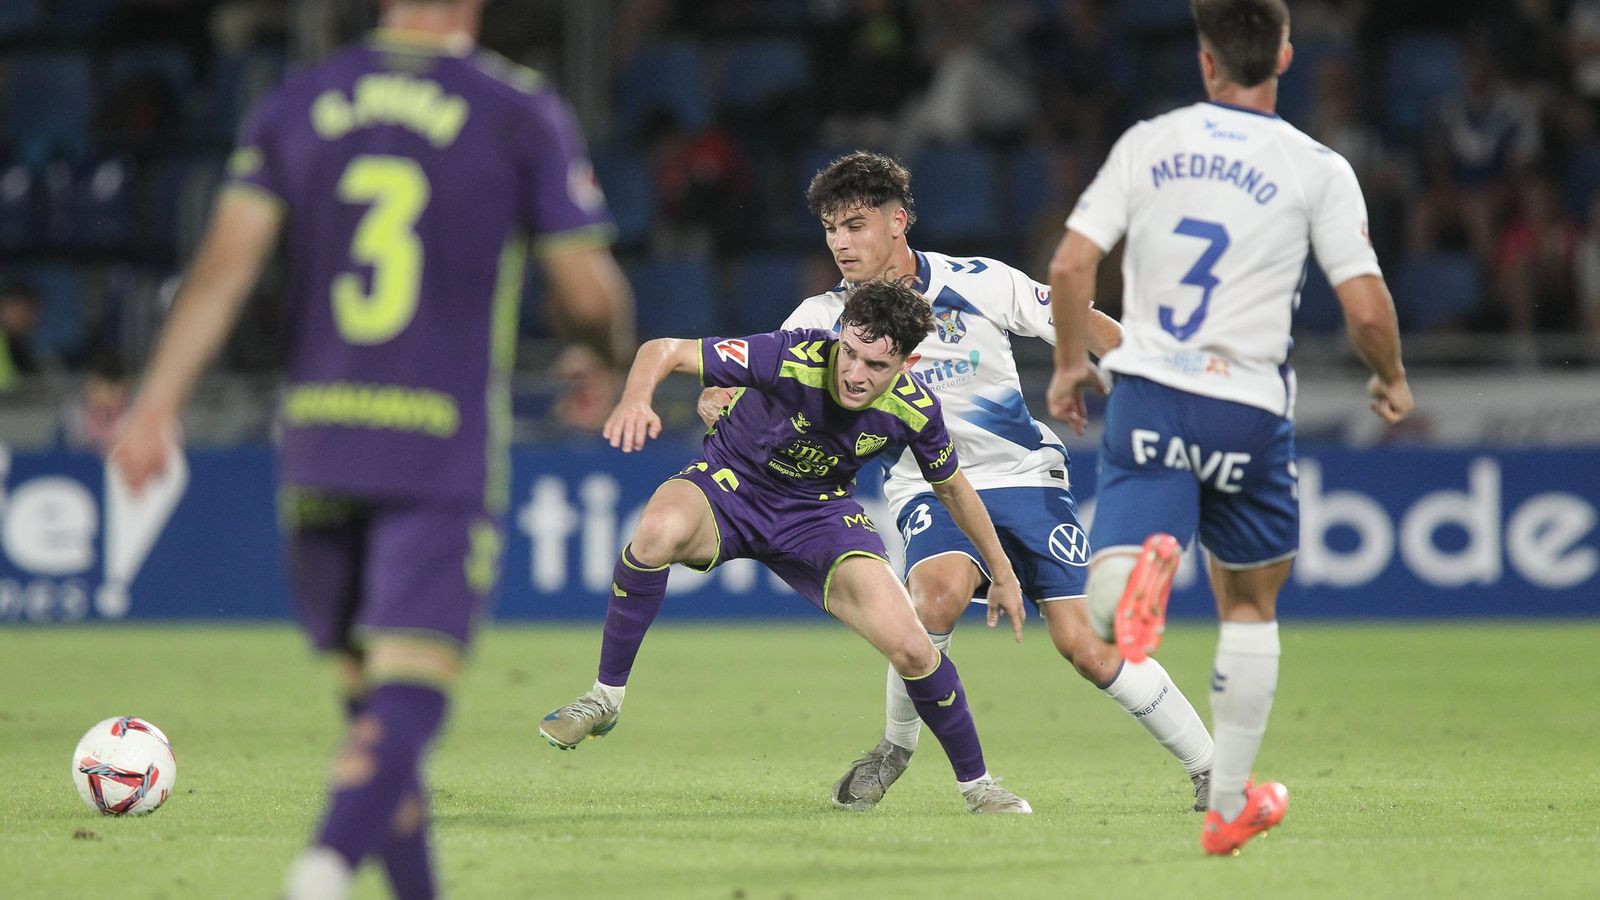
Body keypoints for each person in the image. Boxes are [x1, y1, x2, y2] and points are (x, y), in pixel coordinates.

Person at [109, 1, 635, 896]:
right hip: (437, 447)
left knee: (371, 713)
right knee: (411, 696)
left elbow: (222, 269)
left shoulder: (297, 99)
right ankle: (323, 868)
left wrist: (155, 403)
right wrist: (615, 357)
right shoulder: (516, 106)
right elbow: (584, 289)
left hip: (317, 441)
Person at [699, 151, 1216, 813]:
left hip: (1024, 475)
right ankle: (897, 747)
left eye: (855, 224)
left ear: (898, 221)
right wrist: (715, 402)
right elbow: (742, 376)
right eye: (830, 228)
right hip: (926, 484)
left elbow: (1074, 316)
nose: (840, 242)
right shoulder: (821, 314)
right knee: (935, 594)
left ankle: (1210, 768)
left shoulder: (978, 282)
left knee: (1084, 645)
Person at [1047, 0, 1414, 856]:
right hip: (1248, 406)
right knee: (1250, 603)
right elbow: (1364, 306)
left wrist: (1069, 363)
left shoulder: (1149, 141)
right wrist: (1389, 376)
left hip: (1149, 391)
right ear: (1285, 54)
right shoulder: (1315, 164)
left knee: (1106, 603)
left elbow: (1070, 263)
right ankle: (1229, 806)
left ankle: (1137, 583)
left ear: (1206, 61)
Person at [540, 280, 1034, 815]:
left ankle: (979, 787)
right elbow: (662, 350)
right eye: (850, 352)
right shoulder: (790, 353)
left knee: (916, 648)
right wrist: (636, 399)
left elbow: (954, 489)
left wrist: (1002, 571)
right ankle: (604, 698)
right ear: (839, 334)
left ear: (908, 364)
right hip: (730, 486)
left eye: (875, 365)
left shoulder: (916, 410)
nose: (854, 373)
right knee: (656, 532)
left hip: (817, 516)